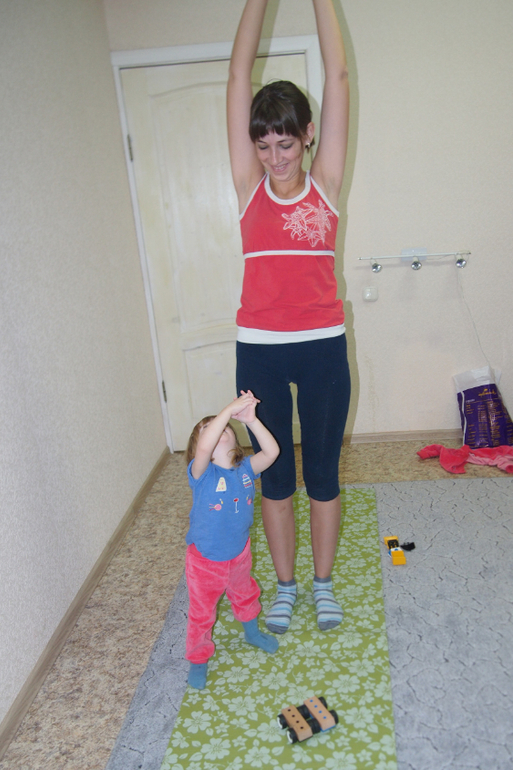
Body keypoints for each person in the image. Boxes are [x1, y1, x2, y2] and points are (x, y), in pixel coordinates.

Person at [227, 0, 351, 635]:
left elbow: (338, 74)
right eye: (264, 145)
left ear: (308, 135)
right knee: (274, 477)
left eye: (286, 143)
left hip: (323, 346)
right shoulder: (248, 187)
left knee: (322, 473)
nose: (275, 157)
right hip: (261, 352)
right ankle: (285, 586)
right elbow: (237, 74)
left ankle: (322, 584)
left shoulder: (324, 183)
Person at [184, 390, 280, 690]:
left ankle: (252, 633)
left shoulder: (246, 469)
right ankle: (198, 659)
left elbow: (272, 452)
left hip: (239, 552)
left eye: (225, 425)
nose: (220, 427)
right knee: (202, 613)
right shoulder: (201, 473)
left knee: (246, 594)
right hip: (205, 560)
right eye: (210, 428)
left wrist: (251, 420)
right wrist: (227, 410)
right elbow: (204, 447)